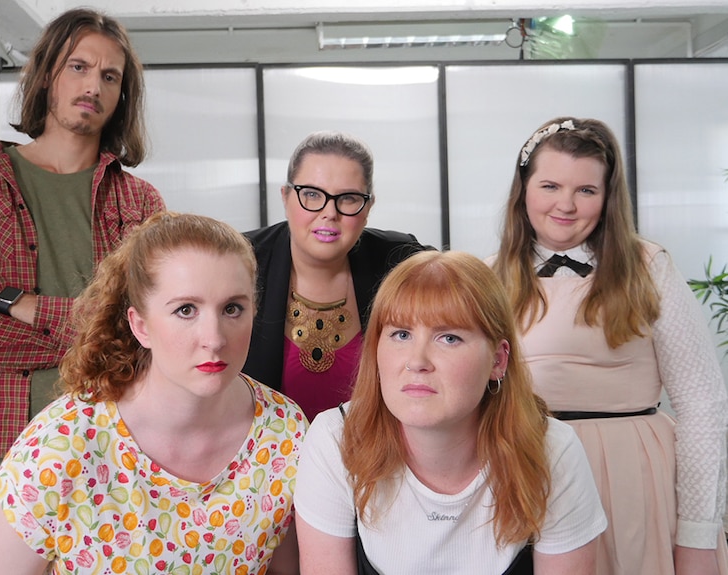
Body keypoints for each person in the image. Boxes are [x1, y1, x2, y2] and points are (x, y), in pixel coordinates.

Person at [0, 8, 165, 574]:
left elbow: (153, 331)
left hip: (105, 471)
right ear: (48, 73)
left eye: (110, 76)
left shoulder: (141, 205)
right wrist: (92, 338)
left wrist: (18, 304)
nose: (93, 85)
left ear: (122, 95)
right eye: (79, 66)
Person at [0, 212, 305, 575]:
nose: (215, 338)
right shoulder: (60, 446)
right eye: (186, 310)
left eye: (232, 308)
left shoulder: (284, 432)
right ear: (140, 326)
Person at [491, 116, 728, 574]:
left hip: (632, 480)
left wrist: (698, 532)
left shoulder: (647, 266)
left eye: (586, 190)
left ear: (607, 198)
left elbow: (702, 404)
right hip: (525, 473)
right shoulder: (485, 276)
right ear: (523, 190)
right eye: (550, 185)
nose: (566, 204)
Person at [295, 250, 607, 575]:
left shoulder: (552, 450)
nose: (417, 361)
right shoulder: (335, 439)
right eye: (401, 334)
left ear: (498, 361)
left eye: (449, 338)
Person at [244, 131, 429, 421]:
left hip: (373, 455)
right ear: (285, 196)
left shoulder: (400, 261)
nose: (329, 212)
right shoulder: (241, 261)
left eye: (348, 198)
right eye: (312, 195)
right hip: (266, 459)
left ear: (367, 207)